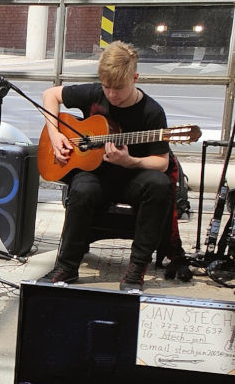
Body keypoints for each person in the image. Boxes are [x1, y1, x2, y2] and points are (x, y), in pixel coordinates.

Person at [39, 41, 172, 291]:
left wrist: (131, 161)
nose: (111, 94)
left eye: (119, 88)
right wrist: (55, 134)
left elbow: (162, 162)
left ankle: (136, 271)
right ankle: (66, 267)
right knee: (81, 189)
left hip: (132, 178)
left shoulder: (152, 112)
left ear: (135, 77)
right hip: (95, 174)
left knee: (159, 185)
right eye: (106, 86)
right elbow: (50, 95)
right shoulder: (95, 93)